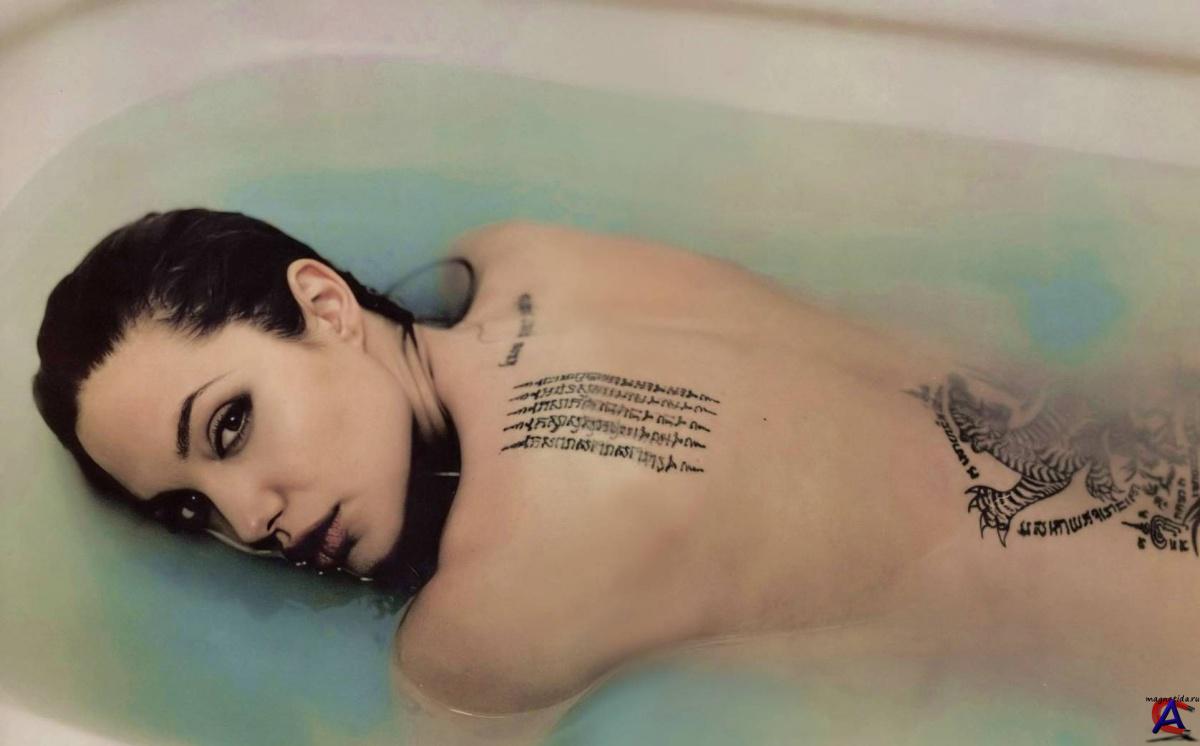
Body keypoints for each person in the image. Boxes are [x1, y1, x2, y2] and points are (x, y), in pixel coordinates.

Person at [32, 209, 1199, 723]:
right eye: (187, 509)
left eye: (230, 426)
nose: (248, 520)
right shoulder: (522, 252)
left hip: (1168, 682)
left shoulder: (486, 615)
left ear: (324, 303)